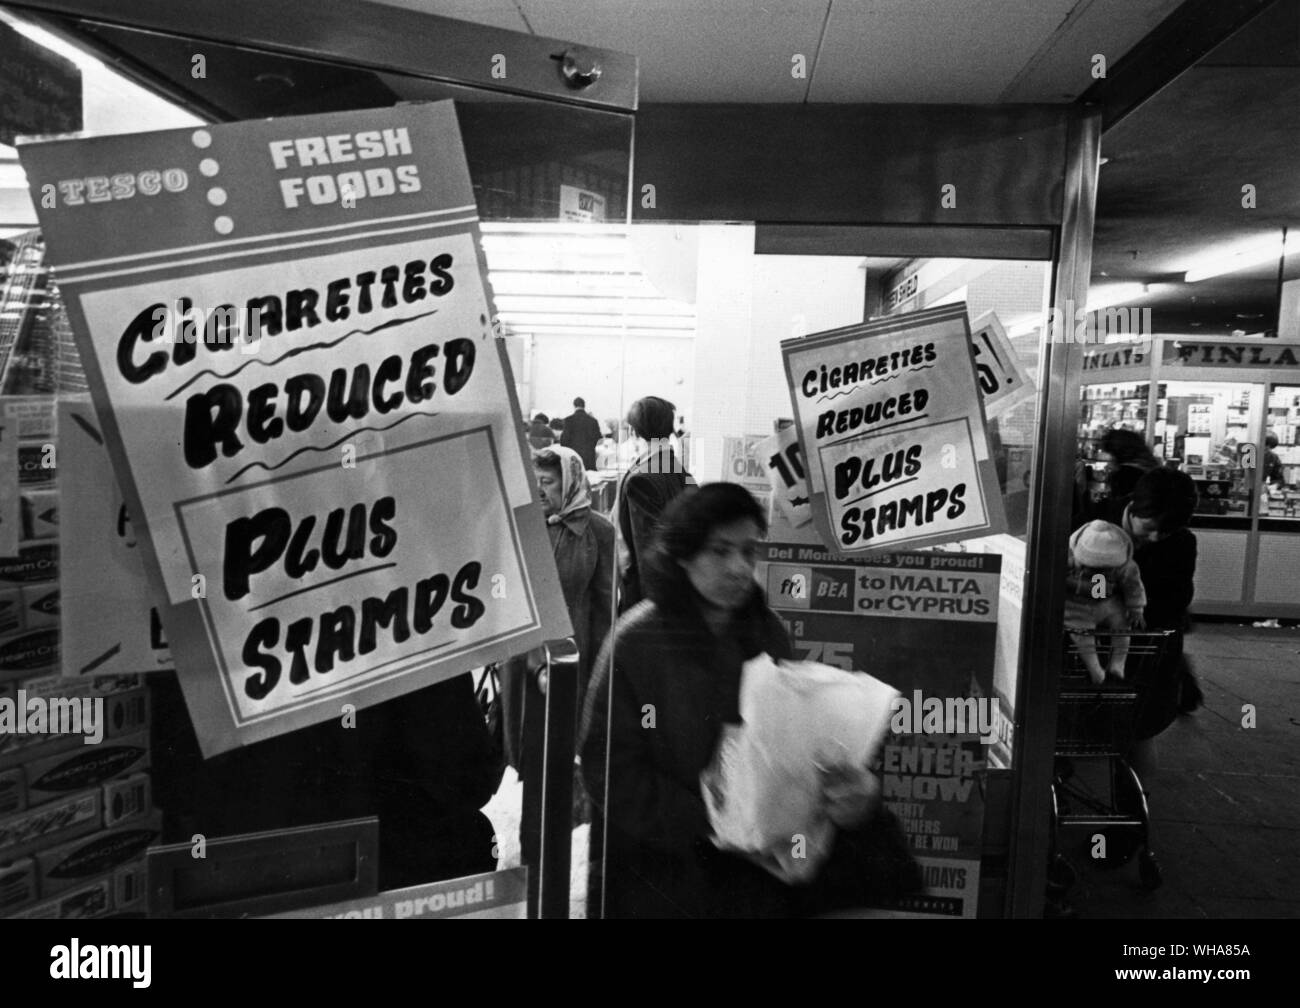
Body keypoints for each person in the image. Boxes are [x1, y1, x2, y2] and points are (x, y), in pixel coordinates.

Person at [579, 483, 920, 919]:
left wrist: (839, 788)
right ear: (683, 555)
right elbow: (609, 769)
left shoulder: (767, 632)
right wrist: (714, 819)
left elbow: (788, 737)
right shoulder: (636, 643)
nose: (740, 568)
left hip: (750, 879)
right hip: (661, 877)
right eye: (720, 551)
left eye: (748, 551)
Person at [151, 673, 501, 894]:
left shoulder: (180, 614)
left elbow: (172, 787)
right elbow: (464, 779)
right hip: (380, 878)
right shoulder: (411, 617)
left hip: (223, 881)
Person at [499, 445, 615, 912]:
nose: (540, 490)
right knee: (533, 765)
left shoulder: (599, 532)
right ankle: (532, 865)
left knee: (567, 760)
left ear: (567, 482)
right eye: (535, 481)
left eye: (547, 482)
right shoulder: (521, 529)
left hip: (575, 665)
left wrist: (603, 671)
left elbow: (607, 605)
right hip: (525, 666)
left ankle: (559, 865)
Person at [615, 395, 694, 613]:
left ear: (633, 431)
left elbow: (645, 553)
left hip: (647, 602)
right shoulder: (679, 470)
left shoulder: (641, 478)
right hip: (679, 592)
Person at [1064, 520, 1147, 684]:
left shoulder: (1126, 567)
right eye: (1091, 566)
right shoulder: (1068, 558)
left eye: (1106, 568)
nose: (1098, 572)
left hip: (1108, 602)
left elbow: (1133, 586)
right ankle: (1095, 670)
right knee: (1081, 632)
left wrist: (1136, 608)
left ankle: (1118, 664)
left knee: (1122, 624)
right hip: (1078, 604)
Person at [1097, 427, 1160, 514]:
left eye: (1109, 453)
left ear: (1117, 452)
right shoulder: (1151, 469)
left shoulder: (1124, 475)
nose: (1108, 460)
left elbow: (1117, 510)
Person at [560, 396, 603, 471]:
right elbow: (599, 438)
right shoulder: (593, 421)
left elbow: (564, 441)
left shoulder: (568, 420)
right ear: (584, 405)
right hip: (589, 457)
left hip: (573, 457)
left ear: (574, 405)